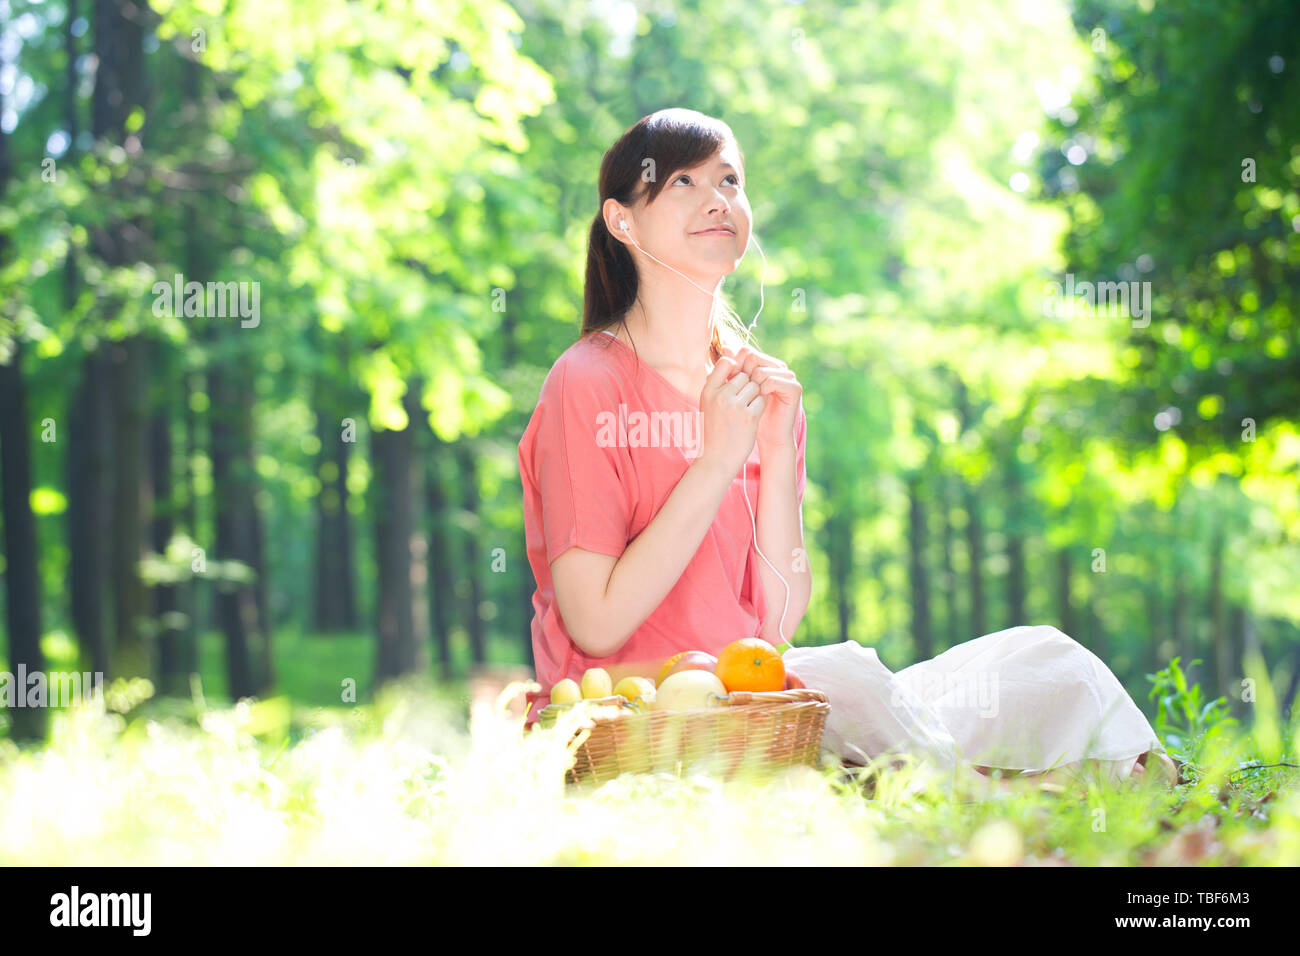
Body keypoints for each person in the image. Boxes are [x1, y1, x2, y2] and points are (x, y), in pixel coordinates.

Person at [516, 108, 1177, 791]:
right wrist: (716, 462)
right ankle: (989, 794)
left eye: (730, 180)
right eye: (683, 181)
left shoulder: (756, 386)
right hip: (644, 721)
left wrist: (772, 450)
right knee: (850, 677)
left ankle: (952, 779)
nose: (719, 199)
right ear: (622, 221)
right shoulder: (587, 381)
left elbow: (774, 622)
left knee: (1047, 656)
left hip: (773, 707)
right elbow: (595, 623)